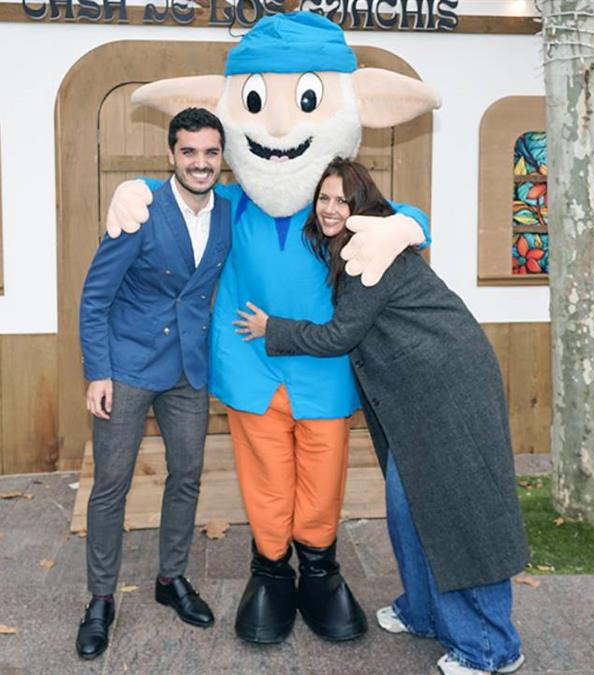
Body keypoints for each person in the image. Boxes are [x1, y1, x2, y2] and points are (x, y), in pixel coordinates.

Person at [103, 14, 439, 644]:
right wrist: (132, 189)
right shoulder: (233, 205)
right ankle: (272, 570)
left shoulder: (335, 207)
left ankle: (321, 569)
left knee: (323, 476)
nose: (280, 128)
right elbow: (183, 191)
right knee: (264, 477)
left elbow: (403, 214)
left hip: (324, 369)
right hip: (251, 365)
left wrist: (406, 225)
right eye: (257, 104)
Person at [234, 158, 530, 675]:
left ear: (362, 205)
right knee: (406, 507)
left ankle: (490, 649)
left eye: (342, 200)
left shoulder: (367, 254)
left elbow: (340, 335)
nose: (330, 209)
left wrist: (271, 328)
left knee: (458, 514)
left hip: (447, 388)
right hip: (416, 391)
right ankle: (423, 612)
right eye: (323, 198)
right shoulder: (353, 245)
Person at [75, 107, 231, 660]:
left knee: (186, 475)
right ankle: (100, 599)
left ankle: (171, 579)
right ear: (171, 155)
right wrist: (98, 372)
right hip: (128, 367)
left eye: (210, 152)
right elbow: (95, 297)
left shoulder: (230, 212)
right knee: (111, 484)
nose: (200, 162)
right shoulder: (140, 210)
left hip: (188, 371)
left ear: (222, 158)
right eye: (189, 151)